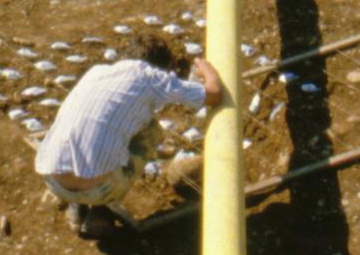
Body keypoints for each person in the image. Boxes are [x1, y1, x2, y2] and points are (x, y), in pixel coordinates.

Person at [33, 36, 225, 235]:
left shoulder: (97, 71)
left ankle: (76, 208)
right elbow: (213, 94)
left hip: (52, 179)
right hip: (99, 190)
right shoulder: (151, 76)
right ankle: (101, 212)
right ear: (164, 67)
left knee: (95, 133)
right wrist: (207, 71)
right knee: (150, 131)